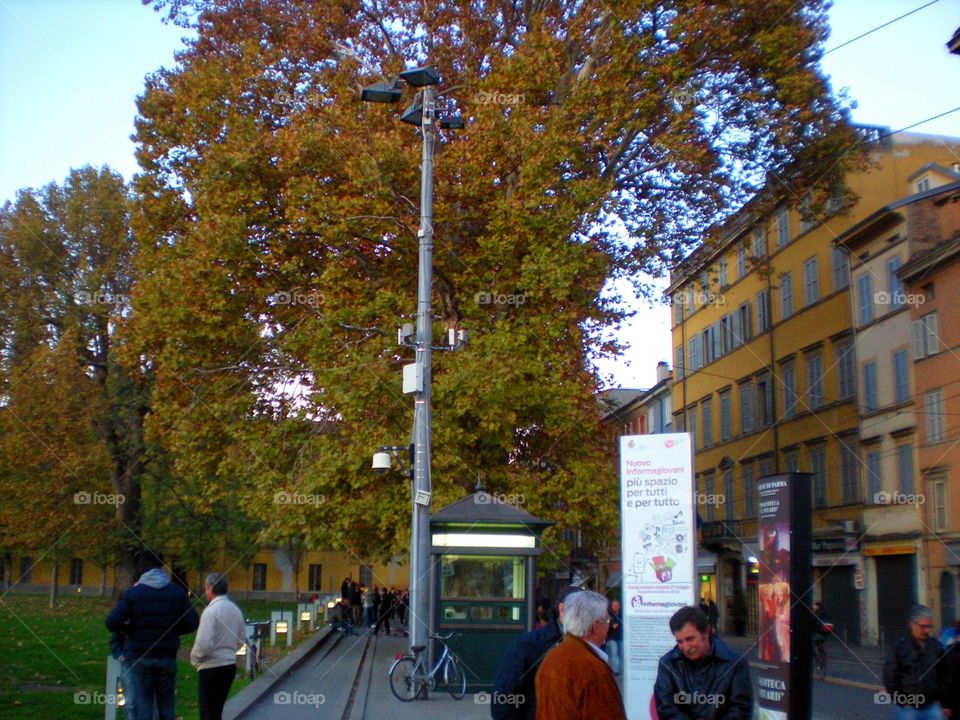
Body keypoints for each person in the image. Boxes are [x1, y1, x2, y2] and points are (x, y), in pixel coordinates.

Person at [106, 551, 199, 720]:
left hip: (141, 655)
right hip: (167, 655)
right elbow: (192, 622)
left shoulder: (133, 594)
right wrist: (171, 631)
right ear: (161, 566)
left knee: (144, 704)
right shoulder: (177, 593)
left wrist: (129, 630)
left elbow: (111, 622)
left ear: (142, 569)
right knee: (167, 703)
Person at [491, 585, 582, 720]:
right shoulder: (528, 645)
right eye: (582, 613)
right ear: (562, 611)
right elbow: (503, 698)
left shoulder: (589, 645)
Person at [534, 589, 626, 720]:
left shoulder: (551, 657)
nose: (608, 625)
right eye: (606, 621)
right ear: (595, 626)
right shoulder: (591, 668)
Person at [653, 605, 753, 719]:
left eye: (690, 639)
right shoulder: (668, 664)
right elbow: (665, 707)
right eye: (680, 642)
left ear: (706, 632)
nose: (686, 647)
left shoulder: (735, 663)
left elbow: (741, 710)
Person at [190, 573, 245, 720]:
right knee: (217, 710)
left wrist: (195, 659)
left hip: (210, 667)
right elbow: (241, 639)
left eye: (206, 588)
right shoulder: (235, 610)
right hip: (229, 665)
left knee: (207, 712)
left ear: (210, 588)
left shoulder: (210, 612)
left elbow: (203, 643)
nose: (205, 591)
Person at [882, 604, 947, 719]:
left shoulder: (936, 646)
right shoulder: (899, 646)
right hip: (908, 708)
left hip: (931, 706)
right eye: (923, 626)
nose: (926, 630)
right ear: (912, 624)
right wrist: (901, 699)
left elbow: (944, 675)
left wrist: (944, 702)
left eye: (929, 626)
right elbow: (889, 676)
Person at [605, 598, 623, 676]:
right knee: (614, 653)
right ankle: (616, 670)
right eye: (614, 605)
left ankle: (621, 668)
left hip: (621, 637)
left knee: (621, 654)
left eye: (617, 605)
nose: (616, 607)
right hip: (612, 637)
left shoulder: (622, 614)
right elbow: (605, 624)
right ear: (611, 606)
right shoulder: (608, 614)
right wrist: (611, 624)